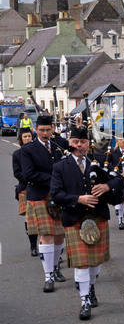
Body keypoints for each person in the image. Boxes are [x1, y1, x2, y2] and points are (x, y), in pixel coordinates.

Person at [50, 125, 124, 320]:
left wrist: (107, 186)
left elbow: (120, 180)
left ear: (88, 143)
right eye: (76, 142)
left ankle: (90, 286)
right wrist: (78, 199)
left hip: (97, 216)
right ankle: (84, 301)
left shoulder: (100, 161)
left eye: (83, 142)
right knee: (82, 264)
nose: (79, 145)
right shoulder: (60, 167)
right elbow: (56, 194)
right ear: (69, 143)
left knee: (95, 262)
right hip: (75, 219)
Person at [21, 115, 66, 292]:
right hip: (40, 195)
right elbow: (28, 174)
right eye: (42, 130)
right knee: (46, 235)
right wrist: (56, 179)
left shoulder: (59, 146)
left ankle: (55, 268)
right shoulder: (28, 150)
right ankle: (48, 276)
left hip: (60, 195)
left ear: (53, 128)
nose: (45, 133)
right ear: (36, 130)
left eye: (48, 130)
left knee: (60, 235)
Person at [12, 127, 38, 257]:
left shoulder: (39, 151)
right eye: (25, 137)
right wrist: (28, 180)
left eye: (29, 136)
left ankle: (47, 246)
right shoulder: (17, 154)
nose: (27, 138)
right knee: (30, 218)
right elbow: (17, 172)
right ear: (21, 139)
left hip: (40, 186)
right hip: (25, 187)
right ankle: (33, 245)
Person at [110, 135, 124, 230]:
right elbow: (109, 165)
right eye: (120, 139)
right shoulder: (113, 152)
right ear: (117, 141)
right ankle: (121, 221)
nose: (122, 141)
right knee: (120, 199)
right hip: (118, 178)